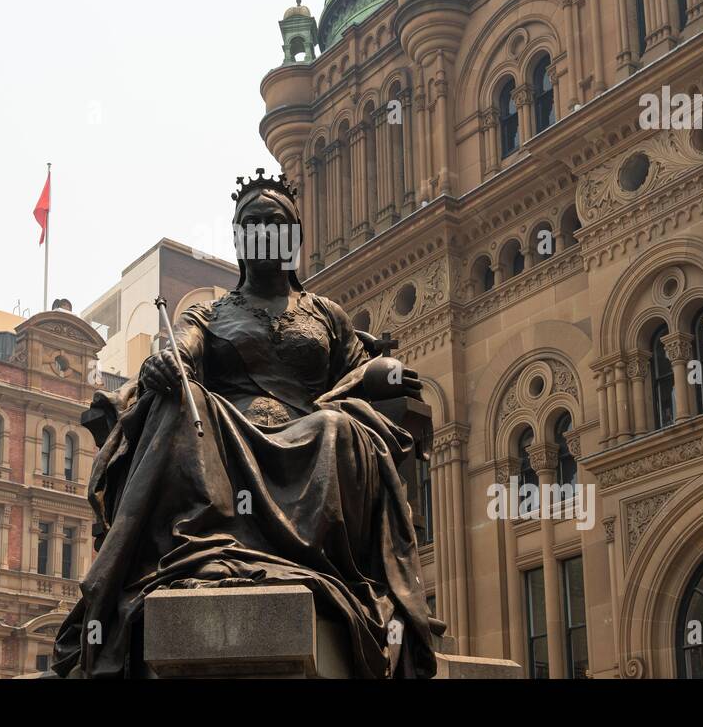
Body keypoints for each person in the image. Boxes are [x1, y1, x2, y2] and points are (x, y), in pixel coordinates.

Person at [51, 171, 436, 678]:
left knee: (335, 430)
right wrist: (163, 366)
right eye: (252, 225)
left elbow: (359, 368)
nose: (264, 234)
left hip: (311, 431)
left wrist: (384, 374)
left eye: (275, 224)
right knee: (179, 404)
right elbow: (178, 350)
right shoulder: (210, 313)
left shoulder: (326, 315)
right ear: (239, 240)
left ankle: (300, 558)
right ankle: (202, 549)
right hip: (227, 435)